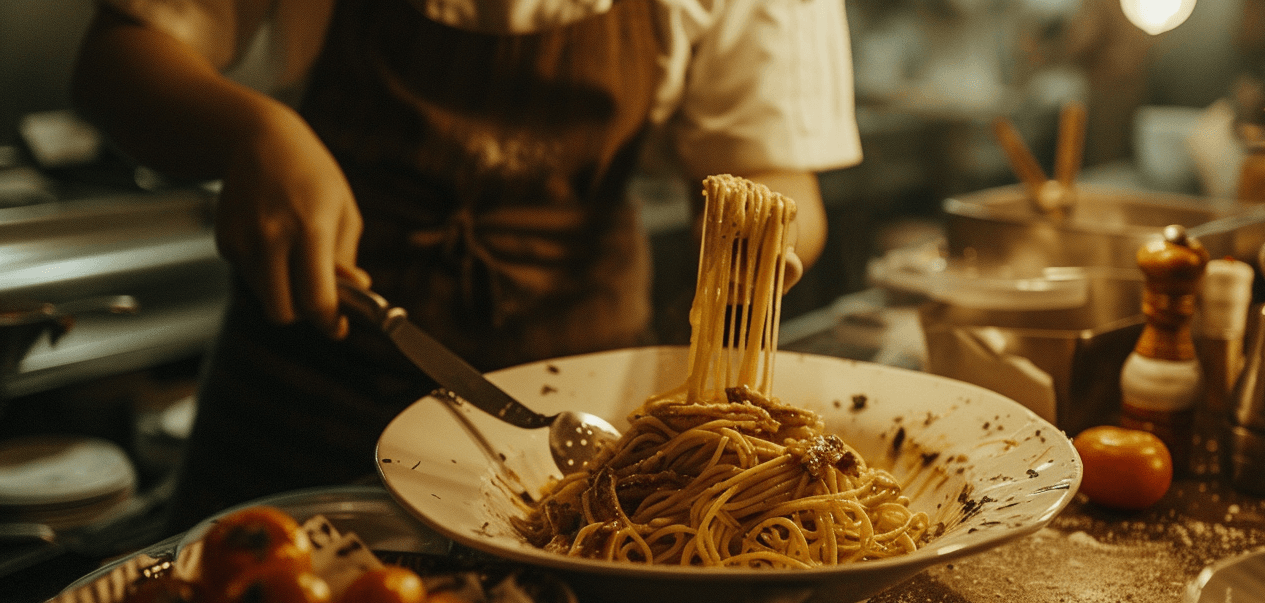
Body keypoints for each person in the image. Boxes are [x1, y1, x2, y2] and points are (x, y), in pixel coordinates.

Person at [70, 0, 863, 532]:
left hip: (571, 439)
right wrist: (249, 132)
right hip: (302, 395)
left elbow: (773, 164)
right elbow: (119, 57)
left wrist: (758, 245)